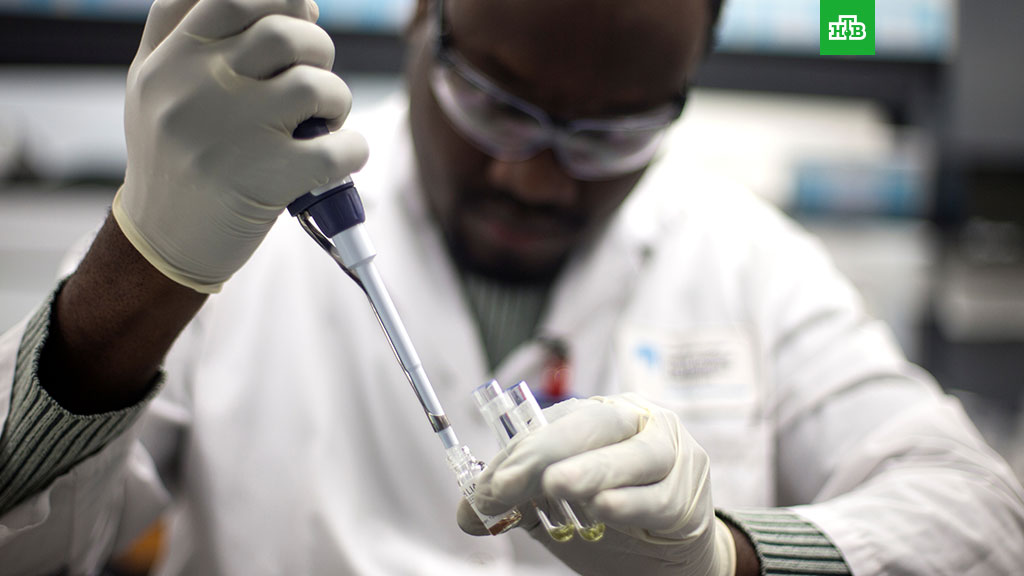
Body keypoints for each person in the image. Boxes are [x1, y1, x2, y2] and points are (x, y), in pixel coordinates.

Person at [1, 0, 1022, 573]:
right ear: (423, 23)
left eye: (609, 134)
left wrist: (726, 561)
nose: (534, 179)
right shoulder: (236, 212)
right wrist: (142, 266)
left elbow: (977, 513)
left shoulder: (747, 256)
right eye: (496, 106)